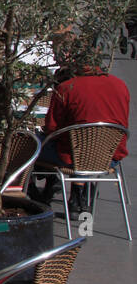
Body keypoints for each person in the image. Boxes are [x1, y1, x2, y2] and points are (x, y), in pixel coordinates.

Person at [35, 61, 130, 214]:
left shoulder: (67, 88)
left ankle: (34, 191)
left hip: (71, 157)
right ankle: (78, 193)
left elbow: (51, 128)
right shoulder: (120, 85)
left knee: (31, 145)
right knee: (79, 146)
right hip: (109, 156)